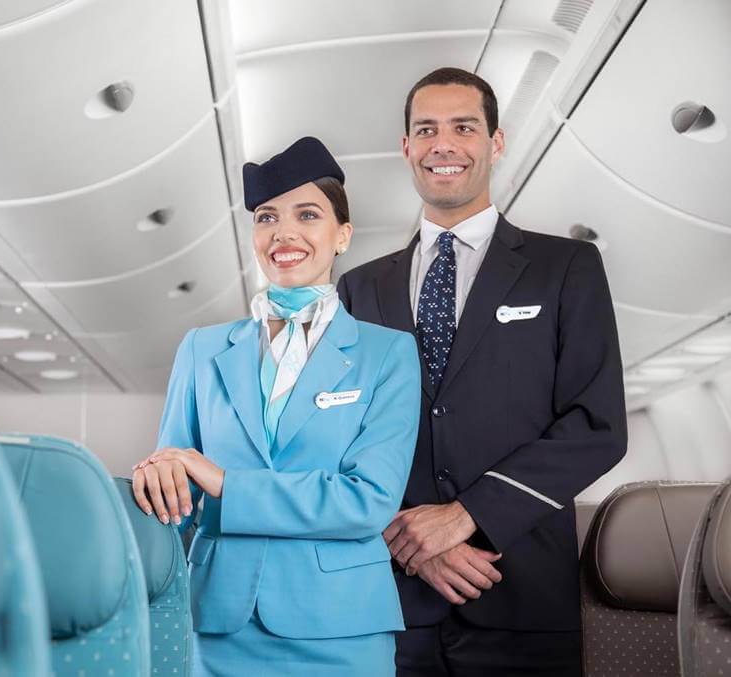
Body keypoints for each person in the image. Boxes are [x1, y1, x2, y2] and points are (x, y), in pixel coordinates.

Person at [337, 67, 628, 676]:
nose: (443, 145)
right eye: (427, 130)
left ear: (495, 142)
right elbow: (340, 440)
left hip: (518, 592)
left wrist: (466, 517)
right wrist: (412, 544)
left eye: (463, 127)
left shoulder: (565, 267)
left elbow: (596, 426)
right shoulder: (361, 289)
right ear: (407, 147)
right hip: (393, 604)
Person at [130, 136, 421, 675]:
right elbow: (175, 491)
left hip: (341, 626)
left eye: (307, 215)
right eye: (266, 219)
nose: (283, 233)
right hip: (217, 622)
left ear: (342, 235)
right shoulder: (203, 348)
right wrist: (160, 472)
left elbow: (369, 500)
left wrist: (224, 481)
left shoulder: (387, 354)